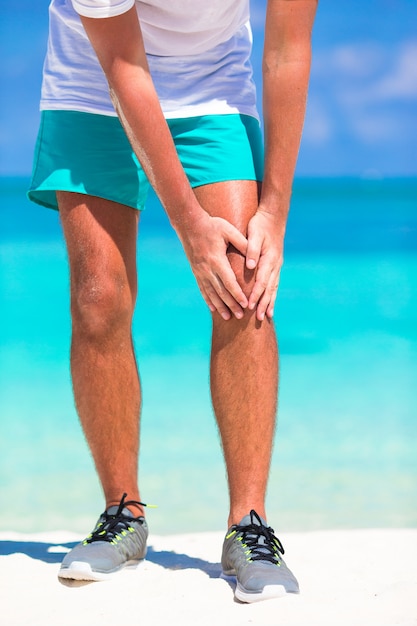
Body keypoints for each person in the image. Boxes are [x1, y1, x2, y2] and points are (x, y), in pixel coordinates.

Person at [28, 0, 317, 603]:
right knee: (98, 295)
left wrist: (275, 213)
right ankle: (122, 515)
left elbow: (288, 49)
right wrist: (189, 226)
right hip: (93, 78)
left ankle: (250, 526)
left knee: (245, 281)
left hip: (211, 86)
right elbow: (124, 64)